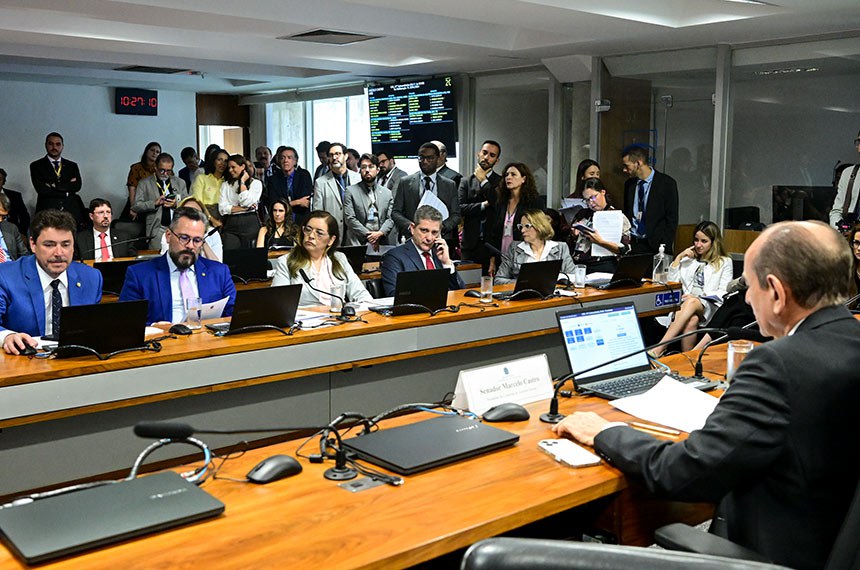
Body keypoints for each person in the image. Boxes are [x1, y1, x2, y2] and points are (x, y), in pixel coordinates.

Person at [553, 220, 860, 570]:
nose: (745, 298)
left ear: (776, 292)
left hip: (774, 553)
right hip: (827, 536)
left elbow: (683, 472)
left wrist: (604, 432)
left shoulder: (776, 365)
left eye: (749, 285)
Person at [0, 210, 103, 354]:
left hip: (76, 361)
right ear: (33, 244)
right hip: (24, 363)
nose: (59, 253)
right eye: (49, 245)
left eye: (66, 244)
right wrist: (7, 336)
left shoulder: (91, 277)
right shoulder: (5, 276)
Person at [119, 207, 235, 325]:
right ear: (168, 236)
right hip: (164, 341)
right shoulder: (140, 275)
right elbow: (126, 322)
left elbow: (234, 314)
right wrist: (154, 328)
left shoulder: (219, 272)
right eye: (184, 238)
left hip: (208, 340)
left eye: (197, 240)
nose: (190, 246)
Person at [651, 220, 732, 356]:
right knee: (692, 320)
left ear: (713, 242)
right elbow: (672, 283)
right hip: (687, 306)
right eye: (696, 240)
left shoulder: (724, 262)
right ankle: (688, 359)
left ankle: (660, 348)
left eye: (704, 241)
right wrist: (679, 257)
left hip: (711, 306)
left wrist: (698, 298)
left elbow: (724, 291)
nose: (698, 245)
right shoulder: (687, 261)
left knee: (693, 301)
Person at [271, 210, 372, 307]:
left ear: (331, 240)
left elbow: (362, 296)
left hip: (339, 321)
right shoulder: (286, 261)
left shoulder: (339, 259)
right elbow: (279, 304)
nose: (311, 236)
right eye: (308, 230)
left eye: (319, 233)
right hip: (304, 322)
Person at [381, 205, 465, 297]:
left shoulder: (440, 255)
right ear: (412, 228)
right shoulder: (394, 257)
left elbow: (459, 293)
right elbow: (394, 296)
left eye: (434, 232)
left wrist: (447, 263)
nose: (429, 238)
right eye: (424, 230)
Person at [391, 142, 461, 245]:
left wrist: (441, 227)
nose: (425, 161)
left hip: (440, 239)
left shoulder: (449, 185)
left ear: (438, 159)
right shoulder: (405, 182)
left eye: (429, 158)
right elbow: (396, 212)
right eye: (421, 158)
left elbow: (456, 215)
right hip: (413, 239)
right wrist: (411, 226)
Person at [487, 162, 542, 276]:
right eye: (507, 175)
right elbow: (494, 233)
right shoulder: (501, 202)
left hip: (524, 256)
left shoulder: (533, 202)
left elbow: (538, 231)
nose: (509, 177)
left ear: (523, 179)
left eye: (513, 174)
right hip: (501, 255)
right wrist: (492, 261)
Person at [622, 145, 679, 255]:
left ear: (638, 163)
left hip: (656, 246)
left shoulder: (666, 183)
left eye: (626, 166)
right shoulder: (629, 185)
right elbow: (627, 213)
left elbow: (672, 219)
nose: (624, 170)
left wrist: (665, 245)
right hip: (634, 244)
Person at [494, 209, 576, 285]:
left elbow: (573, 276)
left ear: (540, 226)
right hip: (523, 297)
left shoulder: (561, 248)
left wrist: (555, 279)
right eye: (521, 226)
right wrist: (524, 283)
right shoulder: (515, 248)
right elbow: (498, 280)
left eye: (527, 226)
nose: (522, 230)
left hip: (553, 297)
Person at [570, 179, 631, 274]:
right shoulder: (582, 214)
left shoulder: (616, 216)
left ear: (603, 192)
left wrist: (600, 242)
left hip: (603, 264)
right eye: (586, 200)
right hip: (579, 264)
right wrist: (574, 235)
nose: (591, 203)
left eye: (593, 197)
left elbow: (624, 249)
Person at [459, 140, 502, 273]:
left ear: (497, 160)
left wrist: (483, 181)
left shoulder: (501, 182)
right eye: (484, 153)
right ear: (478, 154)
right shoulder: (466, 181)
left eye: (492, 155)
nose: (486, 157)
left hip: (492, 245)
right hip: (470, 243)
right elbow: (460, 208)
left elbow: (498, 204)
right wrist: (483, 205)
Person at [133, 152, 189, 249]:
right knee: (157, 259)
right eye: (162, 170)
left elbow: (188, 204)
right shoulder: (144, 183)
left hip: (178, 228)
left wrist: (176, 204)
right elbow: (136, 206)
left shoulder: (180, 183)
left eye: (168, 171)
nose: (165, 174)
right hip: (157, 228)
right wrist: (154, 203)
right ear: (155, 167)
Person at [29, 132, 85, 226]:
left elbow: (77, 186)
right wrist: (67, 190)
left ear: (62, 146)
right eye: (51, 144)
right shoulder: (36, 165)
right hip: (47, 212)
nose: (54, 147)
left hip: (71, 211)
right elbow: (42, 190)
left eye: (58, 144)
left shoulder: (72, 166)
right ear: (46, 145)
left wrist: (54, 185)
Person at [343, 153, 394, 249]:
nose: (367, 170)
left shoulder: (387, 193)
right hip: (358, 242)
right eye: (363, 167)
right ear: (360, 170)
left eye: (371, 167)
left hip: (382, 241)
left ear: (377, 170)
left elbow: (390, 218)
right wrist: (370, 236)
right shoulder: (350, 191)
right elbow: (350, 218)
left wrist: (380, 233)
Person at [312, 142, 360, 240]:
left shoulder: (358, 179)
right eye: (331, 155)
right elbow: (318, 213)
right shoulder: (321, 182)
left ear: (346, 156)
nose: (334, 157)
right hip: (332, 235)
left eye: (338, 154)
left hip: (356, 235)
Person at [219, 155, 262, 250]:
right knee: (231, 256)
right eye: (229, 168)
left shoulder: (256, 183)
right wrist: (244, 209)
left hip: (250, 223)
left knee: (249, 257)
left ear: (242, 166)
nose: (230, 170)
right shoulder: (225, 185)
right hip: (231, 224)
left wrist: (242, 182)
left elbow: (246, 202)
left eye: (233, 167)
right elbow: (222, 208)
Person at [159, 197, 222, 262]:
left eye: (196, 214)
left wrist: (202, 241)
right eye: (184, 237)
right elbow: (166, 263)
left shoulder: (212, 233)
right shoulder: (171, 234)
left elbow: (217, 267)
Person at [264, 146, 313, 226]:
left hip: (301, 218)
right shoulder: (273, 179)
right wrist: (297, 202)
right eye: (282, 158)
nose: (285, 160)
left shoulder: (304, 175)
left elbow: (305, 201)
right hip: (280, 220)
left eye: (289, 158)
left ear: (295, 161)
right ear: (279, 161)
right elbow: (274, 202)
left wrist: (285, 203)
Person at [828, 129, 860, 230]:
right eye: (859, 142)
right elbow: (836, 211)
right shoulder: (849, 173)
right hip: (851, 236)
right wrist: (841, 231)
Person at [191, 148, 229, 229]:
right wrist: (211, 218)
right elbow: (197, 201)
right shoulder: (202, 178)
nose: (223, 163)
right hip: (205, 215)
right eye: (219, 160)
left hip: (225, 217)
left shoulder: (228, 181)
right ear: (214, 161)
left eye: (226, 161)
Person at [124, 141, 161, 221]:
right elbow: (132, 188)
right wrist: (133, 207)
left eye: (157, 152)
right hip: (137, 201)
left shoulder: (160, 170)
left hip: (155, 202)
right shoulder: (136, 167)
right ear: (146, 151)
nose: (154, 153)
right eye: (152, 150)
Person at [0, 167, 31, 236]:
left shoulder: (15, 196)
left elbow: (24, 217)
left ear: (3, 182)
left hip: (12, 233)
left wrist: (22, 234)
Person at [0, 194, 29, 262]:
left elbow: (24, 254)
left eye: (3, 217)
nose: (0, 220)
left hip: (11, 268)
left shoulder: (12, 229)